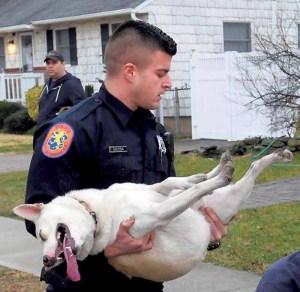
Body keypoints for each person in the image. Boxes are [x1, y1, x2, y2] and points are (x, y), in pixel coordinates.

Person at [25, 20, 227, 291]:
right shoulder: (72, 131)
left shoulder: (156, 133)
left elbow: (168, 202)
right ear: (130, 71)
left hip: (147, 284)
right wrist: (106, 245)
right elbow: (39, 216)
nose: (169, 83)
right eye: (161, 73)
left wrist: (205, 231)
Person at [37, 50, 86, 127]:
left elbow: (81, 112)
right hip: (43, 134)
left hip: (60, 135)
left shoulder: (72, 84)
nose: (50, 66)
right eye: (48, 63)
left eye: (54, 62)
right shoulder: (47, 85)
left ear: (63, 64)